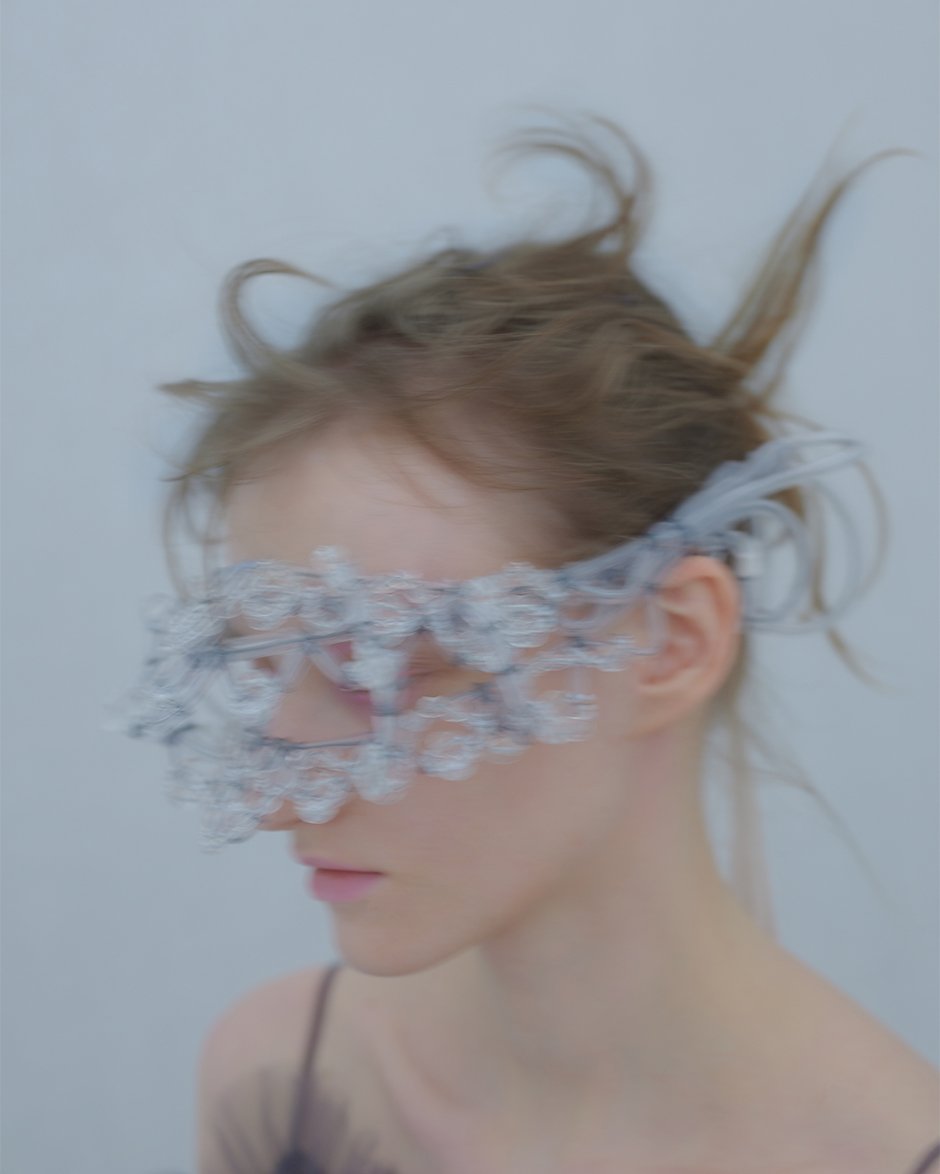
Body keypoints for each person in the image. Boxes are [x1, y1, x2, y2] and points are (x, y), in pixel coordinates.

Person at [122, 115, 939, 1174]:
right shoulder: (282, 1085)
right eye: (261, 669)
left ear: (670, 641)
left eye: (374, 667)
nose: (282, 801)